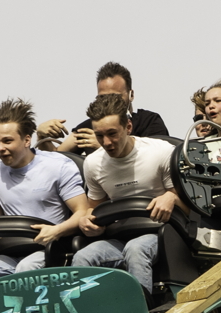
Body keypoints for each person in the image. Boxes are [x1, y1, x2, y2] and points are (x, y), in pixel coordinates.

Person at [0, 98, 92, 289]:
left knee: (26, 268)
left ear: (27, 140)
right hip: (12, 251)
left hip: (50, 250)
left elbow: (82, 212)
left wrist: (56, 231)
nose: (0, 148)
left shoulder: (57, 165)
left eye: (7, 141)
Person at [72, 92, 182, 292]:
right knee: (82, 257)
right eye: (99, 136)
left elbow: (188, 207)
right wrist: (86, 221)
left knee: (136, 249)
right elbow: (94, 209)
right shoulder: (93, 163)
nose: (106, 142)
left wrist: (171, 196)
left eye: (112, 133)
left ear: (128, 127)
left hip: (161, 232)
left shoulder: (160, 151)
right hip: (120, 235)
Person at [37, 62, 170, 154]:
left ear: (131, 95)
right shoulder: (89, 127)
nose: (109, 101)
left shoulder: (149, 121)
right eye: (102, 97)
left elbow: (159, 157)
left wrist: (103, 146)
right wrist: (41, 135)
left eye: (115, 96)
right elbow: (55, 157)